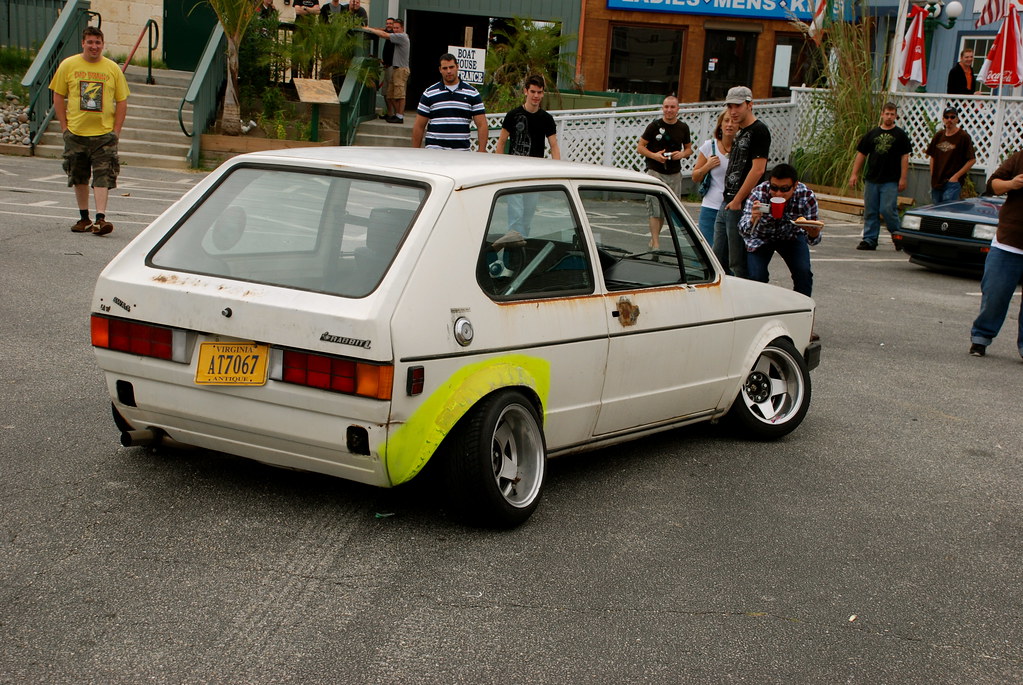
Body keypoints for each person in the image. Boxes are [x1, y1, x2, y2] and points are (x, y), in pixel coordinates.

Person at [48, 26, 129, 236]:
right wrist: (64, 127)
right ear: (83, 43)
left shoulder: (112, 69)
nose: (94, 46)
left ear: (103, 44)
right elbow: (58, 95)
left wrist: (116, 131)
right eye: (90, 42)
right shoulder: (69, 65)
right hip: (76, 133)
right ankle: (84, 218)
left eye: (98, 42)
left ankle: (100, 219)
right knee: (79, 175)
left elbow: (121, 100)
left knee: (103, 175)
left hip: (104, 135)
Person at [968, 150, 1023, 359]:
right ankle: (981, 338)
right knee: (995, 294)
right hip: (1008, 242)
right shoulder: (1019, 158)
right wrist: (1012, 184)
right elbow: (992, 185)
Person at [738, 163, 822, 298]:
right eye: (774, 188)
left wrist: (813, 231)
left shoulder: (806, 196)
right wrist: (752, 220)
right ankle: (759, 311)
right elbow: (743, 231)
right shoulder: (759, 193)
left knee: (803, 273)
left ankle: (801, 311)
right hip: (762, 237)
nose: (778, 193)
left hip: (790, 235)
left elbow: (814, 239)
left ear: (795, 186)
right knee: (756, 276)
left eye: (785, 189)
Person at [713, 86, 770, 278]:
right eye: (730, 106)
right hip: (727, 199)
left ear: (749, 104)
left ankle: (744, 300)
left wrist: (738, 199)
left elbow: (758, 169)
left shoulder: (759, 130)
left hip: (742, 202)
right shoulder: (740, 131)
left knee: (737, 260)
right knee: (717, 256)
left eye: (737, 106)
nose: (733, 111)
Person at [848, 102, 911, 251]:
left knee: (887, 209)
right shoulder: (872, 134)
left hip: (890, 180)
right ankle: (870, 239)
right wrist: (854, 174)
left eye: (892, 114)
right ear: (882, 114)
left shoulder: (900, 135)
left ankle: (898, 236)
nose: (889, 117)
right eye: (887, 113)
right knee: (871, 210)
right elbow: (861, 154)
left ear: (895, 116)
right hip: (872, 179)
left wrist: (903, 178)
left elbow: (905, 157)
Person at [637, 95, 693, 250]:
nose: (669, 110)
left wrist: (681, 154)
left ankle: (657, 239)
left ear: (678, 109)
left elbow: (689, 149)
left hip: (674, 173)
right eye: (666, 107)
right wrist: (655, 156)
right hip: (655, 171)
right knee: (654, 207)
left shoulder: (683, 127)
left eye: (672, 107)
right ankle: (655, 242)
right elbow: (640, 147)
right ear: (662, 108)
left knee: (668, 208)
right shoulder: (654, 126)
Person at [412, 53, 487, 152]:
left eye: (451, 67)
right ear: (440, 70)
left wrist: (482, 150)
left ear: (457, 67)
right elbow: (419, 126)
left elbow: (482, 124)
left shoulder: (472, 93)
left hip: (461, 152)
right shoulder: (429, 93)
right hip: (434, 151)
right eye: (445, 68)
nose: (449, 71)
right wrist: (415, 152)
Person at [691, 110, 736, 246]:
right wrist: (707, 166)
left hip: (732, 207)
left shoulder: (742, 148)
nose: (729, 125)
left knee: (728, 253)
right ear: (720, 125)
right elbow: (695, 176)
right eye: (726, 121)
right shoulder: (709, 146)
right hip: (710, 206)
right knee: (707, 249)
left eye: (733, 121)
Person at [495, 74, 560, 159]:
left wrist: (556, 168)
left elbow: (554, 146)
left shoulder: (547, 119)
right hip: (514, 166)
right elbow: (501, 143)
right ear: (526, 91)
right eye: (532, 92)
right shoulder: (512, 115)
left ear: (542, 93)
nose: (536, 96)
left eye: (539, 92)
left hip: (536, 168)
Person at [926, 106, 976, 205]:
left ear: (957, 119)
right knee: (936, 211)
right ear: (943, 119)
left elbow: (972, 160)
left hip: (952, 183)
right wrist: (933, 174)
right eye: (947, 117)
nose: (949, 120)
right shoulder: (939, 135)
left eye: (952, 117)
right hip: (937, 182)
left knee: (947, 210)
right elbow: (932, 156)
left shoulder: (963, 137)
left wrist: (956, 177)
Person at [363, 19, 409, 123]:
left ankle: (400, 116)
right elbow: (384, 30)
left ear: (402, 28)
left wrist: (367, 28)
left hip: (401, 69)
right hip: (395, 69)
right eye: (394, 28)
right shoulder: (396, 36)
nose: (395, 30)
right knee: (391, 94)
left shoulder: (402, 37)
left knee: (400, 95)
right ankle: (395, 114)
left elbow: (384, 34)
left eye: (397, 28)